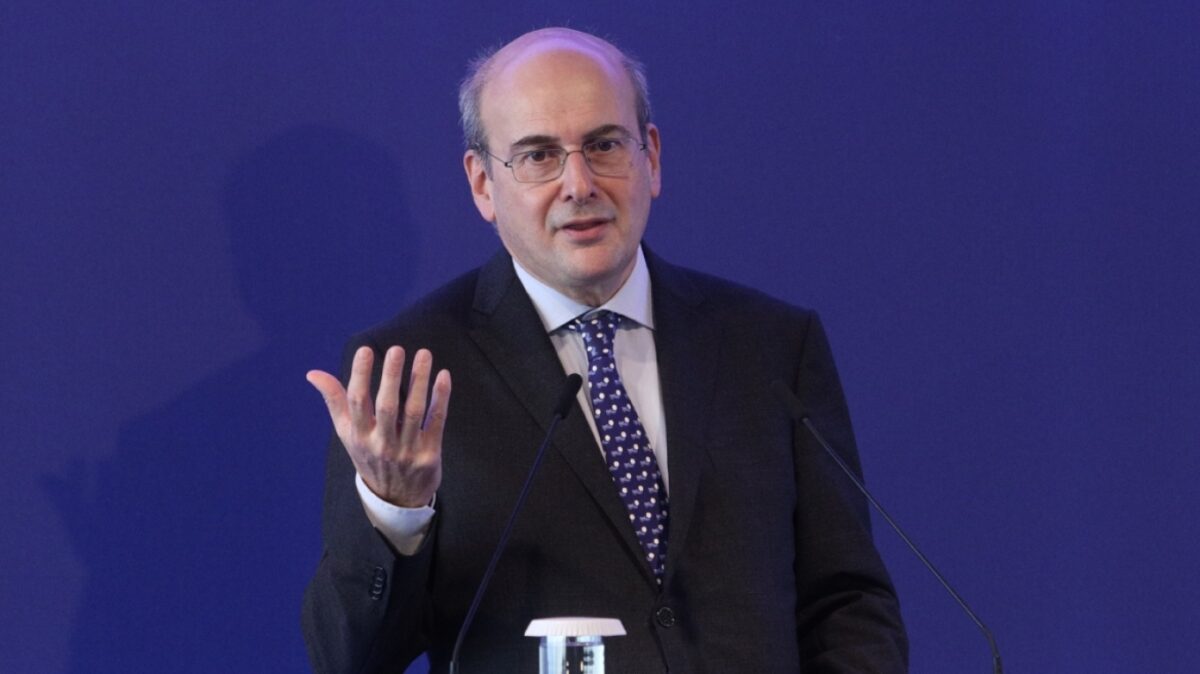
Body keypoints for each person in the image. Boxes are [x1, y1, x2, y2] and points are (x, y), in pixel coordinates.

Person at [302, 27, 908, 673]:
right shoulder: (409, 372)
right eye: (538, 155)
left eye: (604, 144)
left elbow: (847, 601)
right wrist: (397, 514)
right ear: (482, 184)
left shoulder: (770, 345)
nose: (579, 183)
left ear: (652, 156)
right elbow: (349, 658)